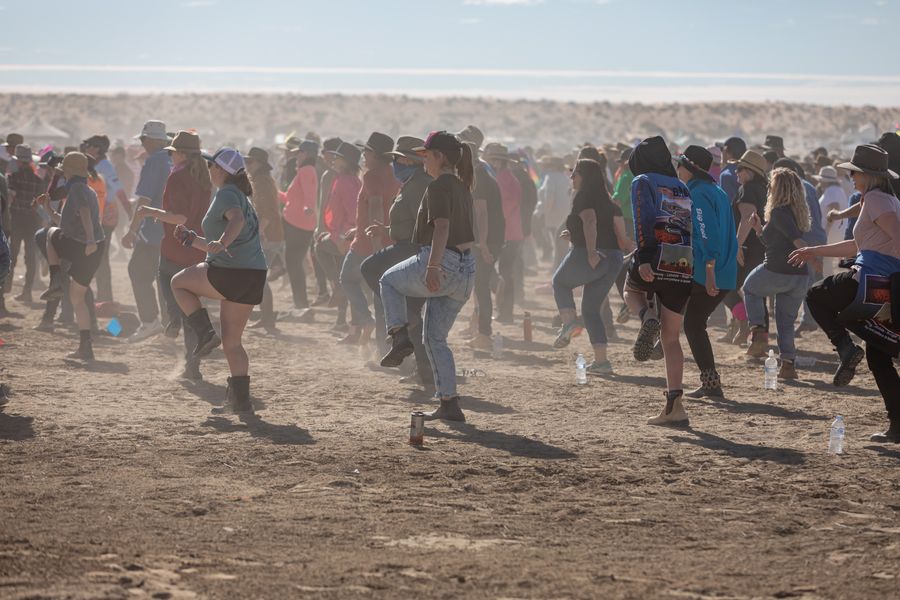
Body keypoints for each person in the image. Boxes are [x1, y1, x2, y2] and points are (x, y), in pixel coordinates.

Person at [793, 144, 900, 442]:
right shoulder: (883, 199)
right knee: (879, 358)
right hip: (883, 286)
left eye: (854, 172)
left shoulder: (877, 201)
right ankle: (898, 425)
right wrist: (814, 250)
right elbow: (857, 246)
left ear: (868, 175)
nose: (850, 176)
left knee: (816, 295)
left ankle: (844, 348)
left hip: (870, 282)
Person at [379, 131, 476, 422]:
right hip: (466, 268)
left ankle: (398, 336)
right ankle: (449, 403)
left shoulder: (437, 187)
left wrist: (432, 267)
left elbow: (442, 228)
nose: (422, 160)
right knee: (435, 338)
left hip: (442, 261)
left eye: (426, 155)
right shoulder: (462, 185)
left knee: (388, 281)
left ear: (439, 157)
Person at [171, 148, 267, 413]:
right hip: (253, 275)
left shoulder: (226, 194)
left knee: (178, 283)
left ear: (222, 171)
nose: (208, 168)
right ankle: (241, 402)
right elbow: (219, 245)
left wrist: (222, 241)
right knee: (233, 343)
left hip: (231, 272)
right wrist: (193, 240)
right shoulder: (244, 198)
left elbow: (232, 225)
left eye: (211, 164)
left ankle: (204, 333)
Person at [623, 136, 694, 426]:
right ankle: (675, 405)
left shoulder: (642, 181)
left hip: (655, 255)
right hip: (683, 261)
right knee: (672, 338)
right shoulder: (682, 185)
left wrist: (643, 258)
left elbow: (643, 218)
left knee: (630, 290)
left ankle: (645, 315)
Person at [131, 131, 212, 381]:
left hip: (176, 243)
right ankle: (193, 366)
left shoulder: (178, 177)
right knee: (193, 306)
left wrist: (151, 213)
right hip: (197, 245)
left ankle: (173, 317)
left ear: (182, 154)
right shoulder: (203, 177)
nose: (171, 155)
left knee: (166, 280)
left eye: (173, 152)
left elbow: (179, 218)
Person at [360, 136, 434, 383]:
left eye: (400, 159)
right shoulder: (413, 183)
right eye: (394, 159)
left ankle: (400, 326)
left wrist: (392, 231)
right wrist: (387, 229)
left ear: (413, 162)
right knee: (414, 317)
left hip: (413, 249)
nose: (395, 164)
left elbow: (423, 223)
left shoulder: (419, 185)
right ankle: (422, 369)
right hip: (408, 246)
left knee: (370, 268)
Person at [551, 158, 629, 374]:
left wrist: (592, 251)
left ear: (584, 176)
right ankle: (602, 362)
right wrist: (575, 235)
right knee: (591, 310)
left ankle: (568, 324)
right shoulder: (610, 201)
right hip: (613, 258)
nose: (571, 177)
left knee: (559, 282)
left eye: (574, 173)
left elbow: (590, 222)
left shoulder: (583, 197)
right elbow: (616, 233)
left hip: (592, 254)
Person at [676, 146, 738, 398]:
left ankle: (711, 385)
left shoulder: (699, 194)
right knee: (693, 323)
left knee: (692, 324)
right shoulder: (716, 190)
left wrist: (710, 272)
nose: (676, 169)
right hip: (722, 270)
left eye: (679, 165)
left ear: (689, 169)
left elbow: (707, 234)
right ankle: (711, 384)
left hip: (709, 273)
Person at [741, 168, 812, 379]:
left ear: (778, 188)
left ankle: (759, 330)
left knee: (749, 288)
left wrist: (809, 254)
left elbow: (796, 240)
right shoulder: (794, 213)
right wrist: (759, 229)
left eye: (771, 184)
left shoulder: (780, 212)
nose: (768, 187)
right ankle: (788, 365)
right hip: (799, 277)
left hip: (776, 270)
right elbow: (773, 241)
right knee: (785, 322)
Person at [38, 153, 106, 360]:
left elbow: (85, 212)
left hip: (85, 244)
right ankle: (85, 346)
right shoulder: (87, 189)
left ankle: (56, 279)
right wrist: (48, 208)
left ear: (67, 171)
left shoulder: (75, 188)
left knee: (48, 235)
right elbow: (65, 222)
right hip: (94, 246)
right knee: (77, 298)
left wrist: (90, 240)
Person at [340, 132, 399, 345]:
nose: (363, 155)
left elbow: (375, 205)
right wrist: (359, 228)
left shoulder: (371, 176)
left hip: (368, 244)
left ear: (375, 154)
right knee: (382, 296)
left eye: (366, 151)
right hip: (387, 240)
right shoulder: (394, 173)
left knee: (347, 278)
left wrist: (375, 247)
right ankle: (383, 348)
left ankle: (365, 320)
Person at [122, 120, 173, 341]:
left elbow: (145, 198)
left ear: (151, 140)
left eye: (143, 140)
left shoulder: (155, 160)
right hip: (173, 228)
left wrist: (132, 230)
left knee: (137, 272)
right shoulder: (174, 157)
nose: (143, 144)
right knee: (165, 279)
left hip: (153, 230)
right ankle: (169, 325)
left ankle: (150, 321)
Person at [457, 125, 505, 352]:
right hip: (487, 239)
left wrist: (483, 244)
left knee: (482, 287)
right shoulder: (480, 173)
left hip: (487, 240)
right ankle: (479, 331)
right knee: (479, 286)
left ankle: (484, 335)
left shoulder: (479, 177)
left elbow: (482, 212)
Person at [722, 150, 768, 345]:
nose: (736, 173)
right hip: (761, 246)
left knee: (723, 284)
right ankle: (760, 337)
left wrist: (736, 246)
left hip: (747, 248)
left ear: (750, 171)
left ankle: (743, 321)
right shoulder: (763, 190)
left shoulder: (748, 189)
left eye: (739, 169)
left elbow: (747, 219)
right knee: (758, 291)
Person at [316, 141, 362, 330]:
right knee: (347, 280)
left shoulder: (345, 181)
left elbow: (353, 213)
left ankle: (337, 286)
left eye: (338, 158)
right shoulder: (350, 180)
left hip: (344, 236)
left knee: (319, 248)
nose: (334, 160)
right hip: (340, 233)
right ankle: (342, 319)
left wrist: (343, 234)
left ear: (347, 162)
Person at [82, 134, 129, 303]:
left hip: (105, 218)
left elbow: (119, 190)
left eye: (88, 145)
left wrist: (129, 212)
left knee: (101, 258)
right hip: (97, 216)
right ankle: (101, 296)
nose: (86, 147)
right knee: (96, 257)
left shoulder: (105, 166)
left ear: (96, 148)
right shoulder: (93, 165)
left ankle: (105, 297)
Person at [244, 147, 285, 331]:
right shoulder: (262, 180)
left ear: (259, 163)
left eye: (250, 161)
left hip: (267, 236)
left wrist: (259, 231)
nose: (247, 165)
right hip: (270, 235)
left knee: (258, 278)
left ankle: (267, 317)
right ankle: (266, 316)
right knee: (258, 278)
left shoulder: (261, 182)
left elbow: (268, 211)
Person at [484, 143, 523, 324]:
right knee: (507, 273)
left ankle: (504, 310)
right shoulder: (509, 178)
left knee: (494, 272)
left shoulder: (499, 178)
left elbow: (506, 205)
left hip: (503, 233)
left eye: (490, 159)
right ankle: (505, 313)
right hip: (513, 232)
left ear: (497, 161)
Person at [279, 140, 319, 310]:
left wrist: (309, 207)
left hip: (297, 224)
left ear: (308, 154)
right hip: (297, 223)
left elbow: (310, 195)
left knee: (293, 263)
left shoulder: (307, 170)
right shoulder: (304, 171)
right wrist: (274, 192)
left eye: (300, 153)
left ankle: (301, 304)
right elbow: (289, 198)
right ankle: (300, 303)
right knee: (293, 263)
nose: (296, 156)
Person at [7, 144, 42, 303]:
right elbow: (39, 203)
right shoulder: (37, 180)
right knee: (31, 258)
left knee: (12, 256)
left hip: (16, 219)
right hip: (32, 221)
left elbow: (11, 198)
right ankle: (27, 291)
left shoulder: (13, 177)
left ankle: (6, 288)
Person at [718, 136, 746, 204]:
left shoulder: (726, 175)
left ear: (729, 153)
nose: (721, 152)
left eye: (722, 149)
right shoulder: (749, 171)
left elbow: (726, 204)